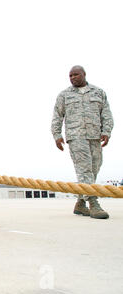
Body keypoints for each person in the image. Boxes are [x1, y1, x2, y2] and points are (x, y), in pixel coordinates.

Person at [51, 65, 114, 219]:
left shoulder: (98, 92)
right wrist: (57, 135)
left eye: (76, 75)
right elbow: (57, 116)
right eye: (70, 76)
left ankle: (80, 203)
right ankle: (93, 203)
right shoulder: (64, 95)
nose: (73, 78)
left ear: (84, 74)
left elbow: (106, 113)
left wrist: (106, 131)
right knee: (84, 169)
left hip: (95, 136)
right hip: (76, 136)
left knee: (94, 168)